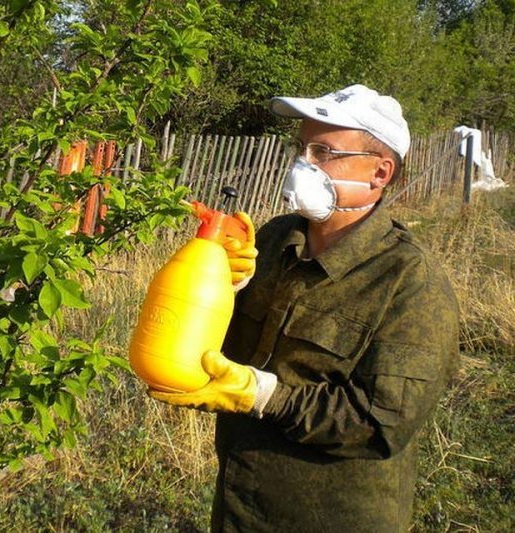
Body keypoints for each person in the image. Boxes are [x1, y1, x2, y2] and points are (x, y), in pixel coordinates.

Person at [150, 84, 460, 532]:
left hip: (329, 516)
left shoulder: (410, 283)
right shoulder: (274, 239)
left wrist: (263, 396)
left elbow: (379, 424)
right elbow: (215, 350)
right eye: (301, 148)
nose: (303, 164)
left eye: (324, 151)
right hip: (240, 504)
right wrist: (220, 288)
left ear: (379, 173)